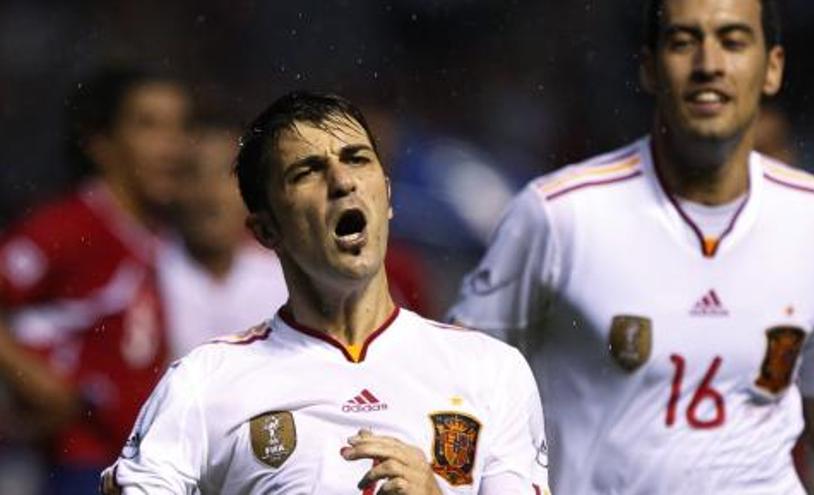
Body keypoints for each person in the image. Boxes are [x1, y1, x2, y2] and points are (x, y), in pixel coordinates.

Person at [448, 0, 814, 493]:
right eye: (683, 41)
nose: (709, 64)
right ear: (650, 68)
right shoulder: (559, 215)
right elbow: (457, 390)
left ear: (773, 68)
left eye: (734, 41)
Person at [101, 91, 550, 494]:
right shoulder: (204, 382)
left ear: (388, 196)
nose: (342, 181)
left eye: (357, 158)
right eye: (308, 171)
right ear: (266, 229)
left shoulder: (491, 370)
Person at [0, 66, 190, 492]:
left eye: (180, 127)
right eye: (149, 126)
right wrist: (39, 383)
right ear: (100, 142)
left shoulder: (163, 236)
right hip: (76, 466)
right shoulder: (68, 226)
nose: (172, 147)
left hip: (145, 466)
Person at [159, 118, 287, 359]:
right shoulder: (146, 274)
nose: (210, 195)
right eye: (193, 174)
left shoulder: (285, 279)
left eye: (226, 174)